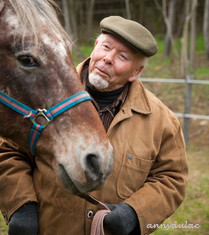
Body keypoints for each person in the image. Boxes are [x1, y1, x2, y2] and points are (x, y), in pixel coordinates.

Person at [0, 16, 188, 235]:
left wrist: (135, 212)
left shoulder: (162, 121)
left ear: (135, 72)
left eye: (123, 57)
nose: (108, 58)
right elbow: (8, 152)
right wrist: (22, 206)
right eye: (106, 47)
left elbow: (172, 178)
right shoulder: (45, 93)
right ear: (95, 46)